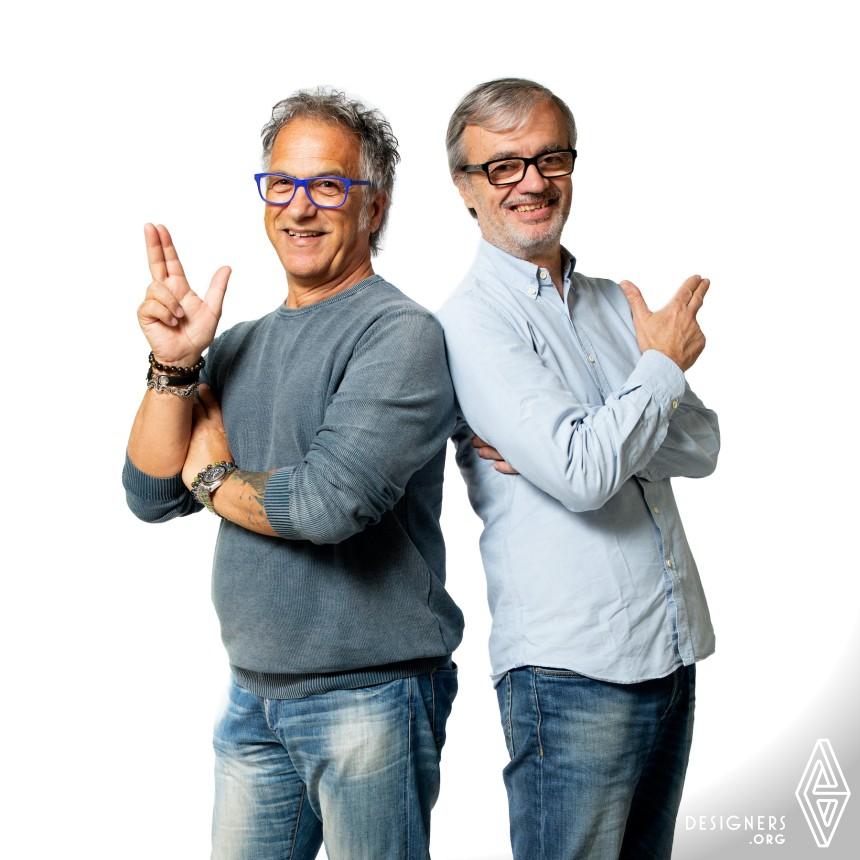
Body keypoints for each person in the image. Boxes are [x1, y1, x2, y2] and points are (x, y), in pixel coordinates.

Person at [122, 88, 463, 860]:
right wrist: (173, 368)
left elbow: (325, 506)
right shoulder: (239, 343)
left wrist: (215, 479)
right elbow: (149, 493)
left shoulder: (399, 335)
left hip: (370, 697)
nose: (299, 207)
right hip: (253, 695)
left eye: (328, 185)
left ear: (374, 207)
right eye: (282, 183)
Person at [437, 78, 720, 859]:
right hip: (569, 673)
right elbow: (586, 475)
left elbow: (703, 446)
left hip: (668, 650)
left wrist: (602, 427)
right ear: (464, 185)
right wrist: (655, 375)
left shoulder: (613, 304)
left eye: (550, 158)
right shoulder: (471, 323)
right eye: (503, 166)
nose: (532, 182)